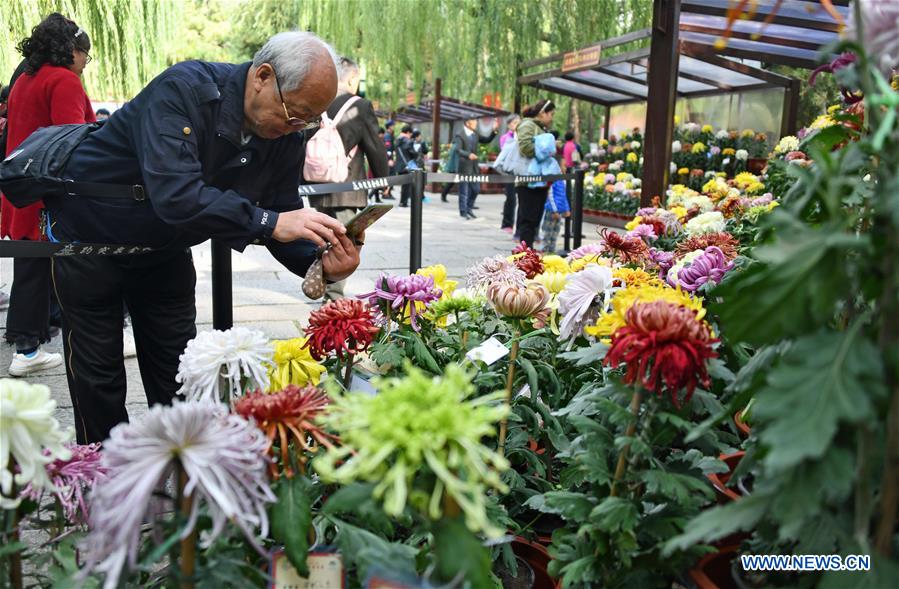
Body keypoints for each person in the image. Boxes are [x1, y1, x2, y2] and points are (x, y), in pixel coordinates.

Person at [45, 31, 362, 443]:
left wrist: (318, 261)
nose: (296, 128)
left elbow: (282, 211)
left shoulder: (289, 130)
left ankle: (186, 485)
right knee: (98, 378)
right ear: (262, 76)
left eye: (309, 120)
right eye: (294, 114)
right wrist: (268, 221)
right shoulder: (184, 90)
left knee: (180, 373)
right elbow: (176, 196)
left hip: (164, 248)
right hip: (89, 240)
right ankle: (101, 485)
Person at [2, 13, 96, 377]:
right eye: (85, 54)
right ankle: (28, 350)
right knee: (66, 265)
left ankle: (29, 346)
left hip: (21, 190)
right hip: (50, 195)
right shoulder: (64, 81)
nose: (86, 61)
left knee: (31, 267)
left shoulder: (25, 79)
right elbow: (71, 141)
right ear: (72, 50)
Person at [308, 56, 388, 301]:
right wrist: (383, 179)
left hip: (316, 184)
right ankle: (332, 298)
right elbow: (374, 145)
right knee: (344, 243)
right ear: (352, 78)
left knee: (323, 238)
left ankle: (322, 286)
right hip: (347, 186)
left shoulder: (319, 103)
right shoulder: (359, 105)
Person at [515, 99, 556, 247]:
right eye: (551, 114)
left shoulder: (540, 127)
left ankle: (528, 254)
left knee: (534, 220)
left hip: (539, 181)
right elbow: (525, 146)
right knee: (528, 221)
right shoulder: (527, 125)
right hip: (527, 181)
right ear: (542, 113)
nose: (552, 118)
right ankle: (525, 256)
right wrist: (546, 151)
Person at [453, 117, 498, 220]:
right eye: (474, 122)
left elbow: (486, 140)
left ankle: (469, 208)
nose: (476, 124)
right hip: (464, 166)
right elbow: (458, 150)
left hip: (474, 166)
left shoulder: (475, 134)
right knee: (464, 191)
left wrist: (494, 130)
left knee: (476, 189)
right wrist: (468, 155)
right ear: (467, 123)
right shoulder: (460, 135)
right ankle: (463, 211)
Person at [499, 114, 520, 233]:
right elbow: (506, 154)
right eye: (514, 122)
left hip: (521, 171)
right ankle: (507, 223)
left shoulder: (522, 136)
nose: (517, 125)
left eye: (518, 122)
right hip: (509, 171)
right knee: (511, 197)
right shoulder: (505, 138)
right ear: (509, 124)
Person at [541, 180, 570, 254]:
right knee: (548, 231)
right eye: (564, 167)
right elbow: (550, 196)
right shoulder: (553, 180)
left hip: (559, 211)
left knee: (555, 231)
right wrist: (554, 210)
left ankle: (552, 250)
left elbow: (564, 196)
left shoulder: (563, 181)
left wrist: (567, 209)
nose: (565, 169)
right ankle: (545, 250)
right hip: (551, 210)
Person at [395, 124, 417, 207]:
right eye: (410, 134)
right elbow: (412, 152)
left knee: (404, 185)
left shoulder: (397, 140)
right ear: (408, 132)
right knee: (407, 185)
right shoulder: (408, 141)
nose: (410, 136)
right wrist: (416, 154)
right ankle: (403, 202)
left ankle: (402, 201)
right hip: (407, 165)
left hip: (400, 165)